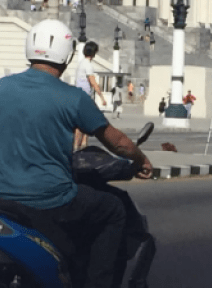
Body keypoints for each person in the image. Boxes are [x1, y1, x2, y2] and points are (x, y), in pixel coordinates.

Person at [0, 19, 153, 288]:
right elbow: (116, 141)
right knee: (113, 209)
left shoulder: (3, 87)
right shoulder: (72, 97)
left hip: (4, 198)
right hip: (50, 201)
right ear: (67, 56)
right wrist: (140, 159)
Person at [74, 41, 107, 151]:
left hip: (79, 95)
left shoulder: (81, 63)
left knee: (83, 123)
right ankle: (78, 146)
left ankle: (81, 145)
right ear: (94, 53)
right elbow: (93, 82)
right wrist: (102, 97)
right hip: (85, 97)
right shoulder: (88, 65)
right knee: (82, 124)